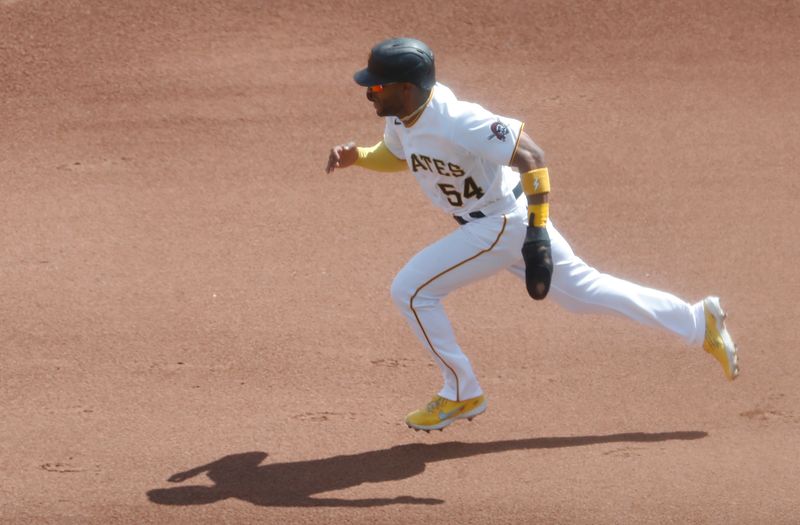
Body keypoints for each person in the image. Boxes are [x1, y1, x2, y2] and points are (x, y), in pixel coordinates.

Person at [324, 37, 739, 433]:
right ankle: (696, 321)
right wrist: (358, 157)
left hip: (502, 222)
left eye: (376, 85)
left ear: (407, 88)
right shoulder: (403, 118)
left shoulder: (458, 120)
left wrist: (537, 231)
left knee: (411, 291)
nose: (369, 93)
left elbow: (532, 157)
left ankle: (461, 392)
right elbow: (398, 155)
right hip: (501, 222)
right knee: (584, 293)